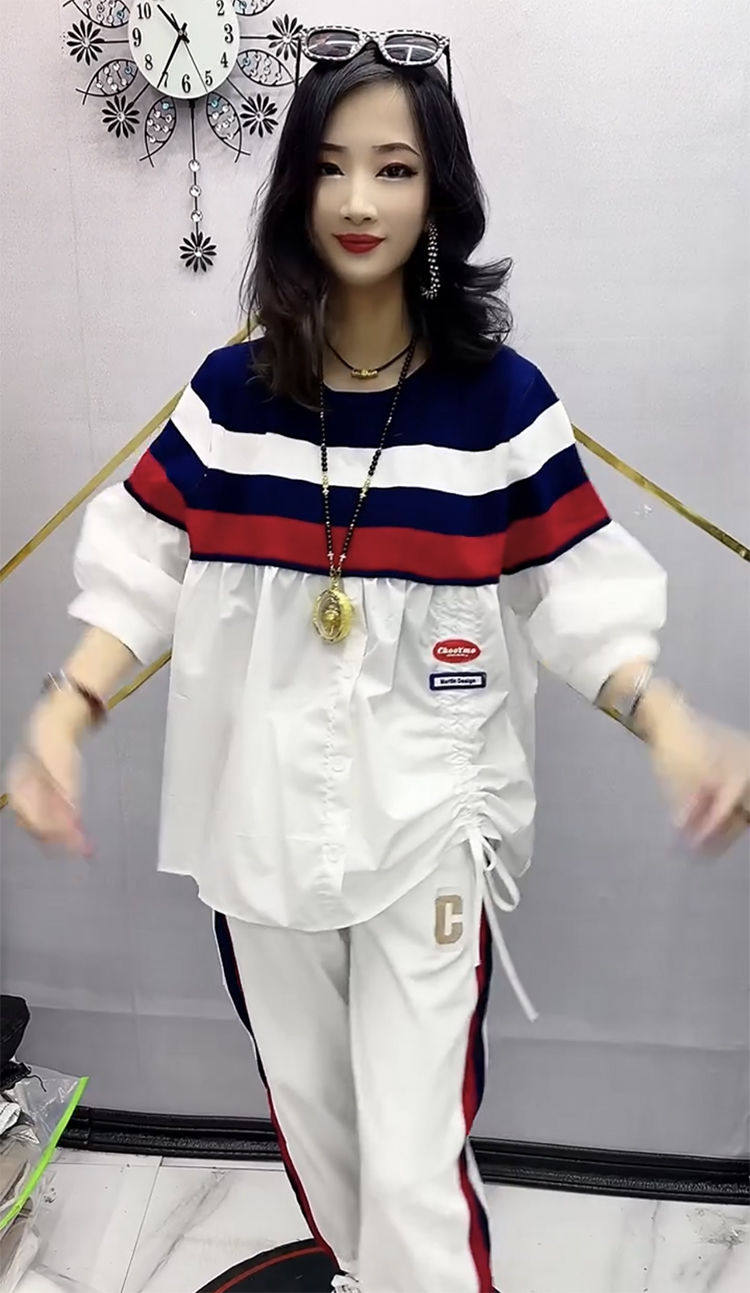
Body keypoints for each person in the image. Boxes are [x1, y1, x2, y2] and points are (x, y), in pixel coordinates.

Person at [5, 28, 750, 1293]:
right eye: (332, 166)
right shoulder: (230, 398)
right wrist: (65, 712)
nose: (360, 200)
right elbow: (137, 571)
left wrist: (673, 725)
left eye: (395, 169)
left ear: (437, 192)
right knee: (319, 1126)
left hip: (430, 831)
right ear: (295, 186)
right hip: (256, 827)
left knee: (414, 1164)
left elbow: (580, 593)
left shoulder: (498, 403)